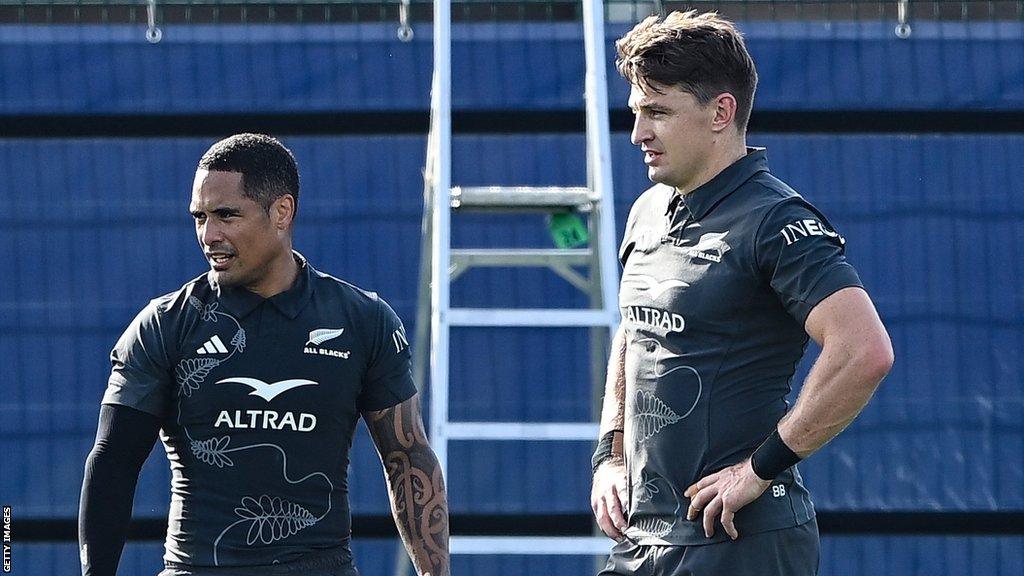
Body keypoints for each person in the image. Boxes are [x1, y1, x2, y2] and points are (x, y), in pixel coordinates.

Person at [590, 11, 894, 575]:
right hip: (639, 540)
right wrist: (609, 455)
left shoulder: (774, 220)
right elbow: (634, 332)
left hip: (741, 544)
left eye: (657, 112)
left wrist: (760, 469)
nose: (638, 134)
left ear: (720, 113)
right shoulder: (645, 212)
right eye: (636, 113)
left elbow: (864, 350)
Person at [79, 133, 450, 576]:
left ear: (282, 212)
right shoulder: (165, 324)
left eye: (226, 215)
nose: (208, 235)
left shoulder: (362, 321)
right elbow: (113, 459)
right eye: (199, 217)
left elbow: (406, 458)